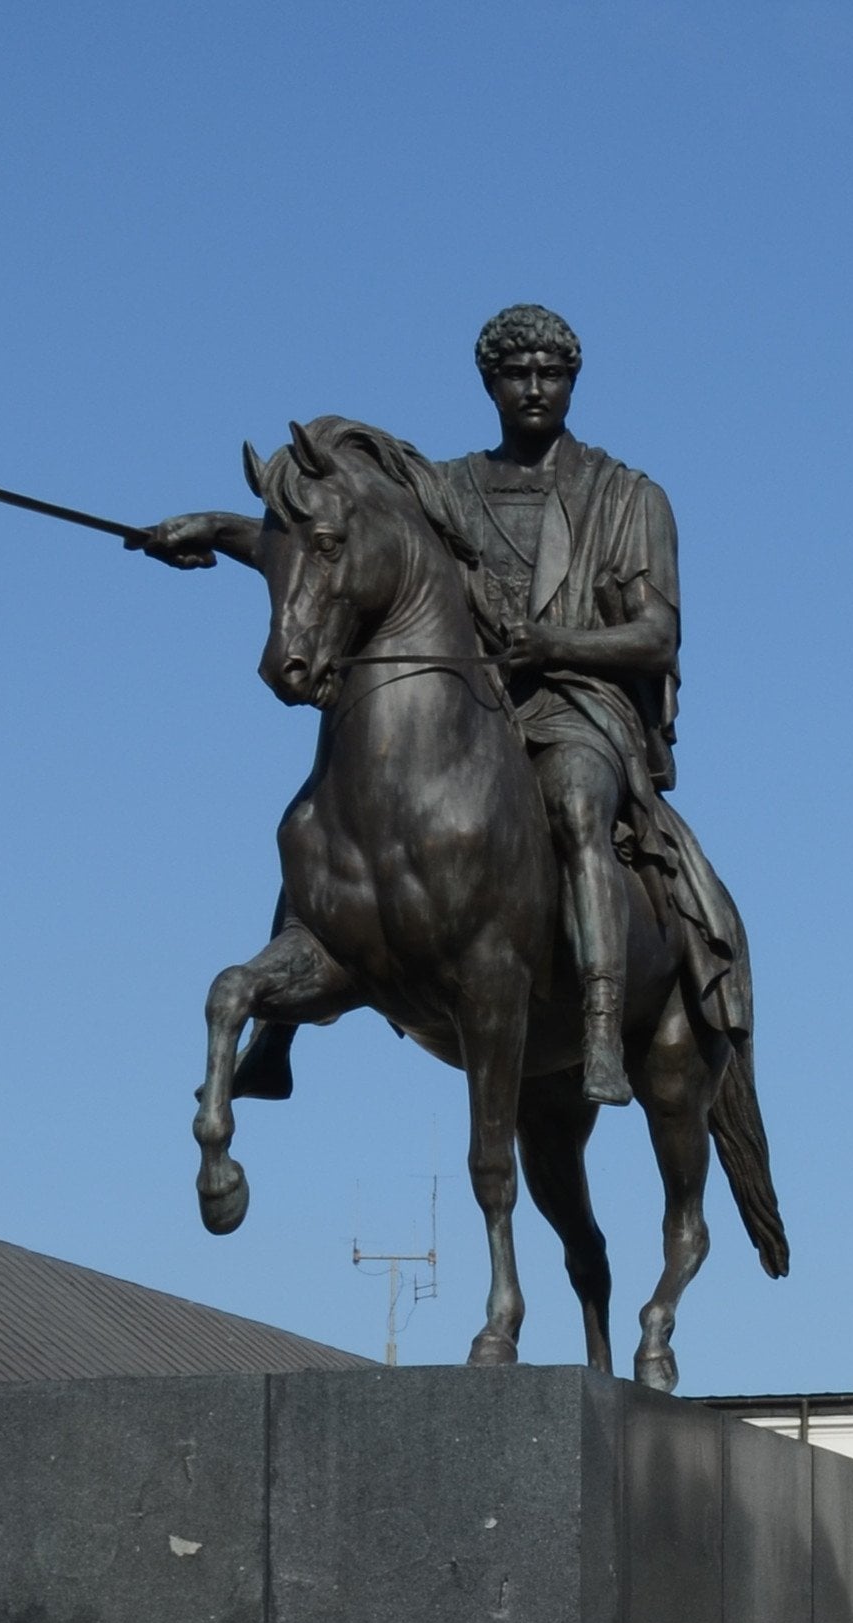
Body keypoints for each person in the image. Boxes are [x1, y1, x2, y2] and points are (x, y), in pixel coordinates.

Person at [144, 305, 745, 1106]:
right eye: (516, 373)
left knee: (575, 800)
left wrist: (553, 644)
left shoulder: (627, 497)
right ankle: (274, 1037)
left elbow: (656, 638)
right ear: (489, 384)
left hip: (575, 707)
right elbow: (332, 542)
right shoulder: (446, 488)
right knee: (335, 813)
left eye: (551, 373)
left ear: (573, 381)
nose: (534, 387)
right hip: (470, 705)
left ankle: (601, 1026)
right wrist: (217, 530)